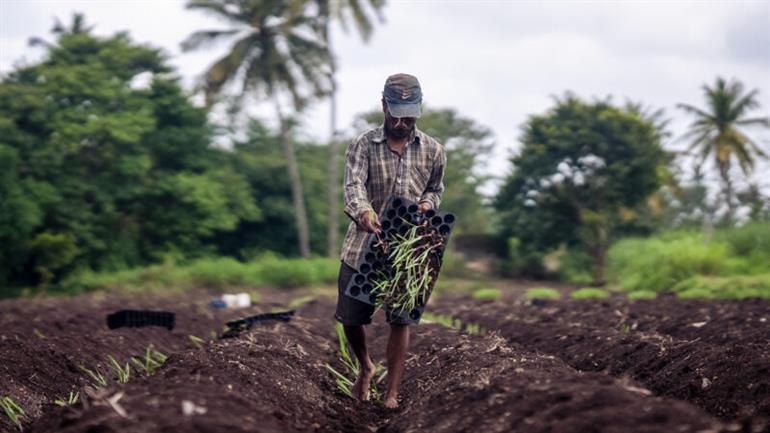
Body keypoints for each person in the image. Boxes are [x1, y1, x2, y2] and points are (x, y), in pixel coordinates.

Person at [335, 73, 447, 409]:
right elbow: (353, 187)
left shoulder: (433, 150)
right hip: (363, 246)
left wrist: (428, 204)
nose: (401, 121)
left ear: (419, 109)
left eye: (409, 114)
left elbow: (435, 188)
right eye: (395, 113)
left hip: (408, 249)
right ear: (383, 106)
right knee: (351, 318)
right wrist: (365, 213)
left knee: (401, 319)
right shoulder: (363, 145)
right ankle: (365, 366)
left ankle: (392, 393)